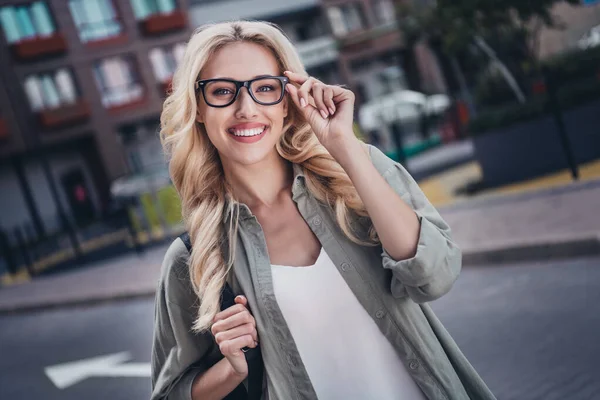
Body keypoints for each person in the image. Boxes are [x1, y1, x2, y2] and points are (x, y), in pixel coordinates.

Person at [151, 20, 495, 400]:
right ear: (198, 108)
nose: (246, 108)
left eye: (265, 88)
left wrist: (344, 148)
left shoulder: (356, 174)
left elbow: (434, 277)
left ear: (287, 99)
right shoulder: (193, 258)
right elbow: (169, 394)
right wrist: (231, 369)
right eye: (222, 91)